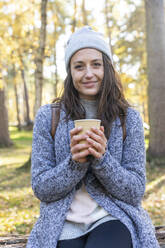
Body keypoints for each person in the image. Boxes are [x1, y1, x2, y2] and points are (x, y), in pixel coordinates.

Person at [26, 26, 159, 248]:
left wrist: (102, 159)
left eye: (96, 64)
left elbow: (135, 191)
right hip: (61, 221)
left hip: (113, 216)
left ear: (107, 68)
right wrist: (74, 164)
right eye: (79, 66)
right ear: (70, 72)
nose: (88, 73)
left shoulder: (129, 118)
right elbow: (41, 188)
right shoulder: (48, 117)